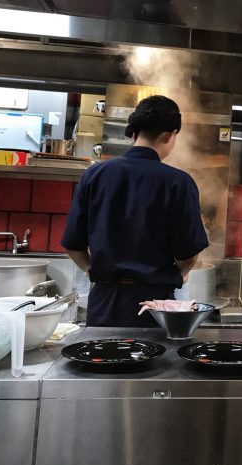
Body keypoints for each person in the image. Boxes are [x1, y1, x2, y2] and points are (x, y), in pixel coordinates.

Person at [61, 95, 209, 327]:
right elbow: (188, 256)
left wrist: (92, 271)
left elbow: (73, 245)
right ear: (170, 136)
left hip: (104, 305)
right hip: (155, 309)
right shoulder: (178, 182)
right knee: (155, 363)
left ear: (133, 134)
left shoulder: (94, 175)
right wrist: (176, 275)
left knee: (102, 360)